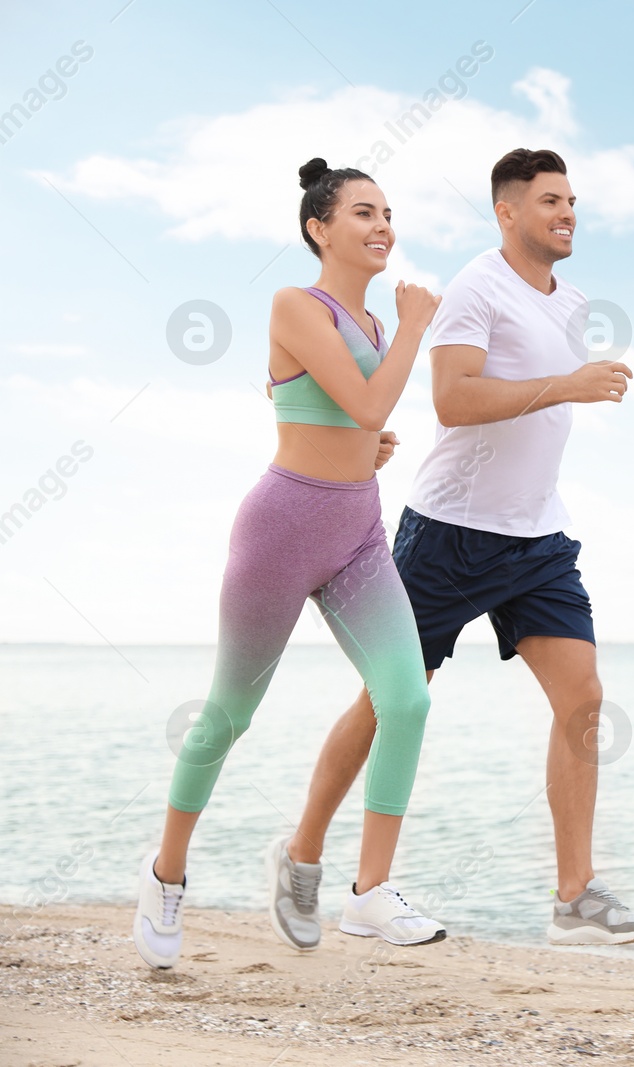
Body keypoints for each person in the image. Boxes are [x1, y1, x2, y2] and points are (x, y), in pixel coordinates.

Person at [270, 147, 634, 950]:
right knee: (392, 700)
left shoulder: (574, 299)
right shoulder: (476, 288)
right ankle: (303, 851)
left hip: (538, 537)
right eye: (550, 200)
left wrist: (567, 386)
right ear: (507, 212)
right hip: (449, 533)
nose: (567, 214)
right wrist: (567, 384)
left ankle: (575, 896)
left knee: (583, 698)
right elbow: (452, 400)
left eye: (573, 201)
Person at [133, 158, 445, 970]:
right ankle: (166, 875)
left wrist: (360, 451)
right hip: (280, 529)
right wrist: (416, 329)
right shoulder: (295, 305)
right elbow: (370, 401)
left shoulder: (374, 329)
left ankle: (368, 890)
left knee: (406, 698)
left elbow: (349, 414)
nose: (383, 226)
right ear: (320, 228)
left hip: (357, 533)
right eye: (364, 213)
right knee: (227, 716)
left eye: (388, 213)